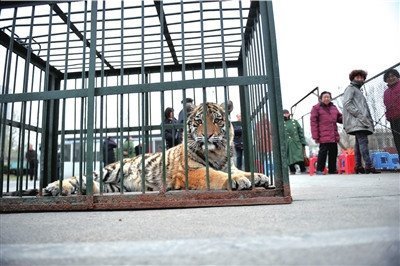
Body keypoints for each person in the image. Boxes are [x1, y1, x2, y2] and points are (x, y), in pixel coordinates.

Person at [343, 69, 379, 174]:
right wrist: (360, 116)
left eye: (361, 77)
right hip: (358, 121)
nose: (360, 79)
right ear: (353, 78)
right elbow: (347, 103)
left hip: (360, 121)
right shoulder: (351, 88)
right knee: (363, 142)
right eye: (357, 77)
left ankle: (358, 166)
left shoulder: (358, 90)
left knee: (359, 144)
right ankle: (368, 166)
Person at [310, 91, 343, 174]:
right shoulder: (316, 108)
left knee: (333, 152)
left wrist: (345, 117)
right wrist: (315, 136)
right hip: (323, 135)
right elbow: (313, 123)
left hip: (333, 134)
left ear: (330, 98)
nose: (326, 98)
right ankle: (319, 170)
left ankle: (332, 170)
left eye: (328, 97)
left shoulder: (334, 107)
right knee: (323, 153)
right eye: (325, 97)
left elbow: (339, 118)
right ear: (321, 99)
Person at [283, 109, 307, 174]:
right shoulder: (282, 124)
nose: (286, 115)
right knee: (290, 157)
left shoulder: (294, 121)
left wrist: (303, 142)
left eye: (287, 113)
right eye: (285, 113)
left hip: (297, 142)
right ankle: (292, 170)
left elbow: (300, 132)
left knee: (299, 156)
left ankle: (303, 169)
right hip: (288, 143)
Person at [383, 68, 400, 159]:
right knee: (398, 142)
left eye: (393, 76)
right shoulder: (386, 92)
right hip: (393, 119)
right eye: (388, 77)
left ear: (397, 77)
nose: (391, 78)